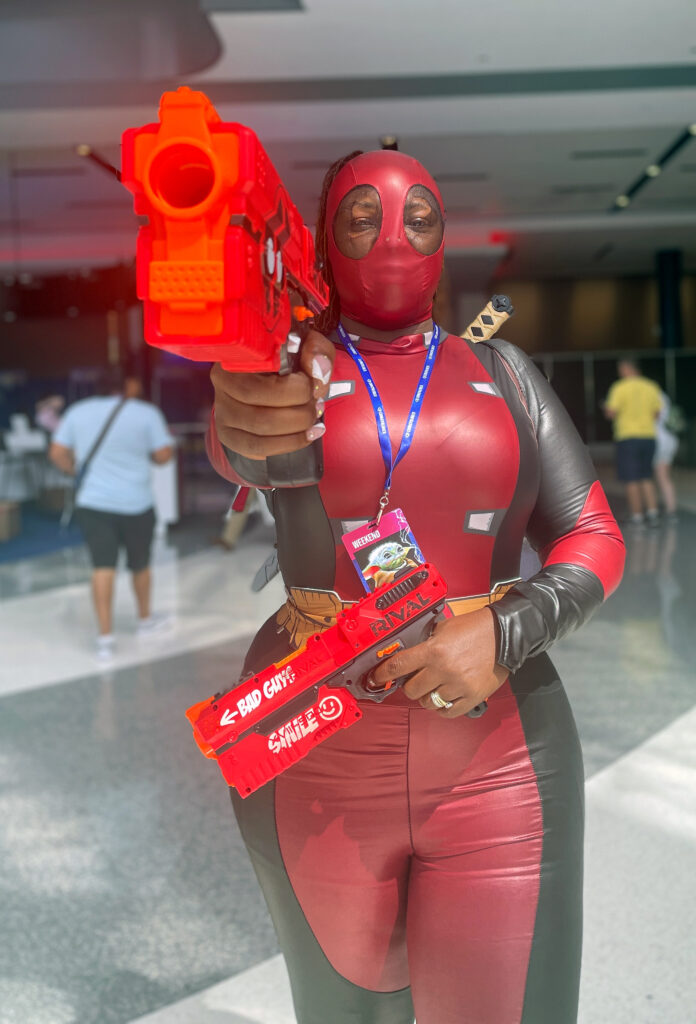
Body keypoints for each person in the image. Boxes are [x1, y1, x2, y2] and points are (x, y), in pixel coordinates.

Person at [206, 150, 625, 1024]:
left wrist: (506, 630)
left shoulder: (502, 371)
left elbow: (591, 532)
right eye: (361, 218)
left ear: (445, 240)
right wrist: (246, 403)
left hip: (501, 758)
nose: (392, 236)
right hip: (312, 748)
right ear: (324, 241)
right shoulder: (292, 375)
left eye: (418, 216)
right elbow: (243, 437)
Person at [49, 367, 174, 661]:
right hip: (137, 503)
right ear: (128, 385)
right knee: (140, 565)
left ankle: (105, 637)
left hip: (94, 504)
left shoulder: (77, 412)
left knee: (102, 566)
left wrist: (74, 470)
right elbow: (163, 456)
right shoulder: (146, 414)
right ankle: (144, 621)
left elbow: (56, 452)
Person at [603, 359, 663, 527]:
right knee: (646, 476)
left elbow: (611, 413)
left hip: (627, 437)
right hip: (648, 437)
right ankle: (653, 513)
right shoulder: (651, 386)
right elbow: (657, 414)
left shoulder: (619, 387)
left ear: (626, 368)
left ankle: (637, 516)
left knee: (631, 479)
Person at [653, 389, 679, 522]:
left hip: (659, 440)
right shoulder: (664, 396)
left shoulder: (652, 394)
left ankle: (666, 510)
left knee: (659, 477)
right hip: (670, 439)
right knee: (664, 477)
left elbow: (655, 415)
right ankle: (670, 509)